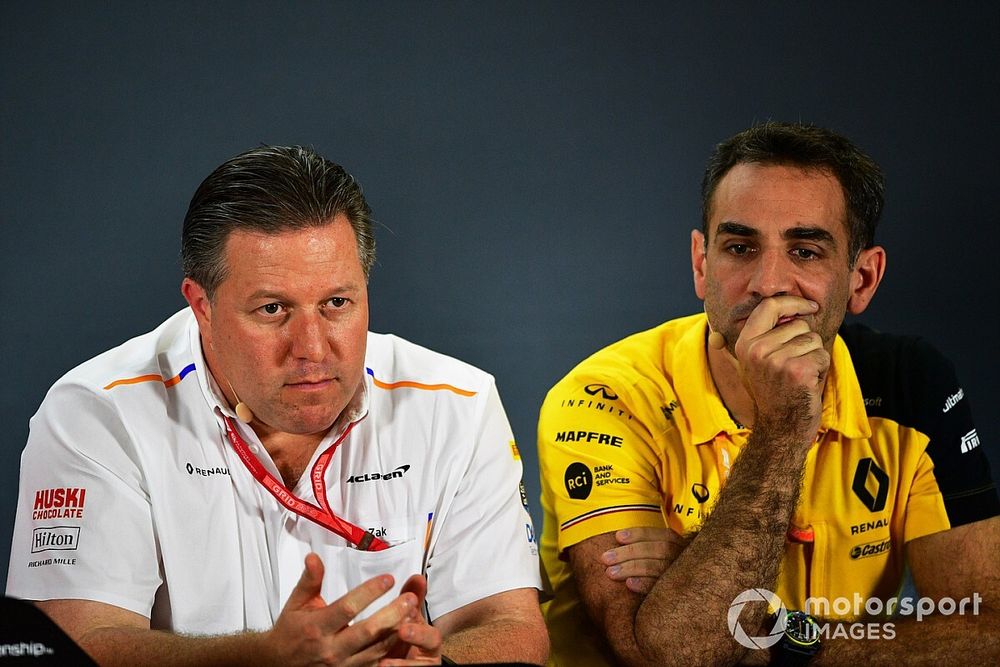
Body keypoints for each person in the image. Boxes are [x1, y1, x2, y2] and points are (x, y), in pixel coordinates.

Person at [7, 145, 549, 666]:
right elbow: (75, 643)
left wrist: (435, 663)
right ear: (202, 306)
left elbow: (510, 625)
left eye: (337, 303)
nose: (312, 348)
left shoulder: (460, 404)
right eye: (272, 309)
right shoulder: (96, 413)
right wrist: (261, 660)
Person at [537, 122, 1000, 665]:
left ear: (863, 280)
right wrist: (783, 429)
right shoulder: (604, 396)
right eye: (739, 246)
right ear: (701, 264)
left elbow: (986, 629)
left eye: (805, 251)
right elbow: (674, 655)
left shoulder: (911, 385)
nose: (768, 282)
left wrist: (777, 633)